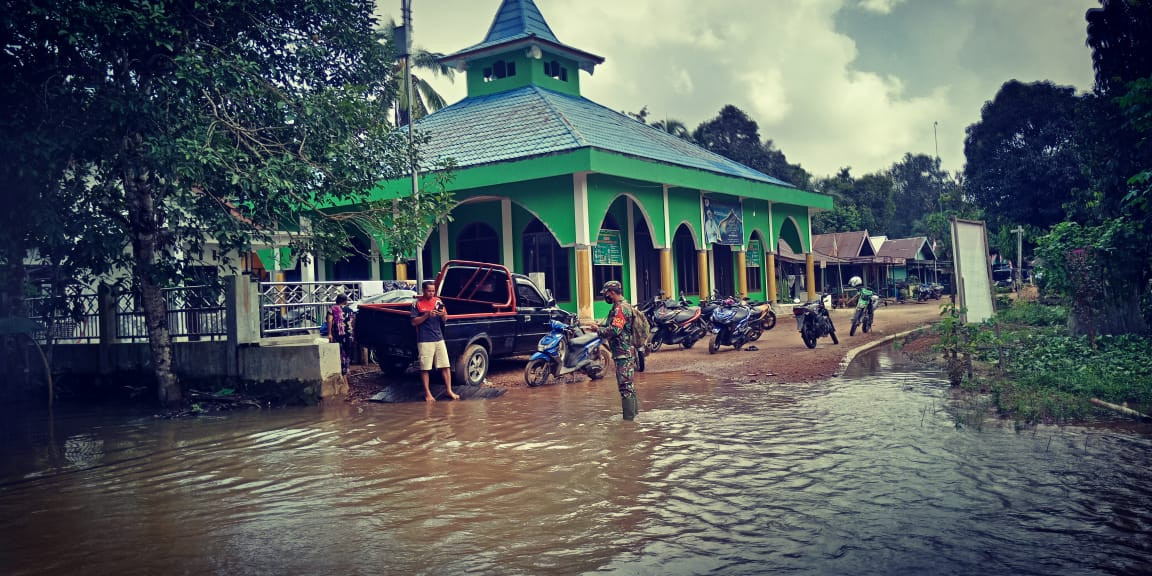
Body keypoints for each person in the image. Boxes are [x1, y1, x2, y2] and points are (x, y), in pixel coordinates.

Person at [587, 280, 639, 421]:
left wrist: (598, 330)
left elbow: (615, 330)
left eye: (606, 294)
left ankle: (629, 423)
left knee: (625, 387)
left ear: (611, 293)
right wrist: (601, 326)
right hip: (625, 351)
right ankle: (634, 417)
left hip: (624, 353)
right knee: (628, 386)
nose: (606, 297)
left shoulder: (620, 309)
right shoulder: (622, 305)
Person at [411, 280, 459, 403]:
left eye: (433, 291)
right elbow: (413, 322)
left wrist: (442, 314)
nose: (432, 293)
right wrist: (427, 315)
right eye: (429, 291)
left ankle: (449, 390)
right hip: (424, 339)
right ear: (423, 290)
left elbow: (445, 319)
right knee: (425, 368)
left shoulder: (438, 301)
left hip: (439, 337)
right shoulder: (417, 304)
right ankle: (427, 393)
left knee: (446, 366)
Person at [327, 294, 353, 391]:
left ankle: (344, 379)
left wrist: (329, 334)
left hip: (339, 335)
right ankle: (346, 374)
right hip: (349, 335)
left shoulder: (332, 309)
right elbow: (353, 322)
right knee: (347, 355)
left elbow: (330, 321)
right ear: (345, 301)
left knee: (341, 355)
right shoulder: (349, 310)